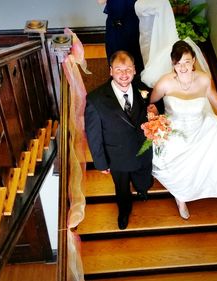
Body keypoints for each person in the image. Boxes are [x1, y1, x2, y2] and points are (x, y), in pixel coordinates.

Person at [148, 40, 217, 219]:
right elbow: (152, 103)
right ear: (173, 64)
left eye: (186, 62)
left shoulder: (204, 79)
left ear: (194, 61)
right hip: (174, 132)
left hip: (199, 128)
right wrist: (156, 121)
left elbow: (216, 101)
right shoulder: (165, 83)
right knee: (175, 165)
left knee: (212, 147)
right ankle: (181, 197)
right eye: (178, 63)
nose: (182, 67)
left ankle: (201, 188)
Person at [85, 50, 153, 229]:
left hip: (143, 149)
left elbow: (153, 108)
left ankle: (142, 190)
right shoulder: (96, 99)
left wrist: (155, 114)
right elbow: (93, 135)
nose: (124, 74)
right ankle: (124, 210)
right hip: (117, 155)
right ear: (110, 71)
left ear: (134, 70)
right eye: (119, 69)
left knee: (143, 175)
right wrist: (101, 163)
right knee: (122, 187)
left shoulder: (143, 89)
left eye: (128, 69)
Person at [98, 0, 145, 74]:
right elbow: (100, 1)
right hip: (114, 23)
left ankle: (136, 77)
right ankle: (116, 75)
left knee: (135, 52)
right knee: (114, 51)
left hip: (133, 22)